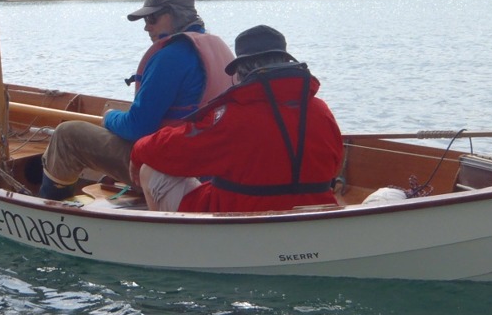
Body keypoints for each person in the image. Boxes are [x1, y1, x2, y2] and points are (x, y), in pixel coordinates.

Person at [37, 0, 235, 199]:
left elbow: (137, 128)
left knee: (68, 134)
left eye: (152, 19)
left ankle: (50, 209)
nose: (146, 27)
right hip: (210, 165)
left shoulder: (170, 57)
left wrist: (109, 117)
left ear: (174, 15)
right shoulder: (220, 48)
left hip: (171, 168)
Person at [130, 25, 344, 213]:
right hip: (316, 216)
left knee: (152, 170)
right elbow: (334, 165)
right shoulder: (321, 110)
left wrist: (138, 151)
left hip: (240, 220)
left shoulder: (233, 116)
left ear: (242, 70)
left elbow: (165, 149)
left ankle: (174, 249)